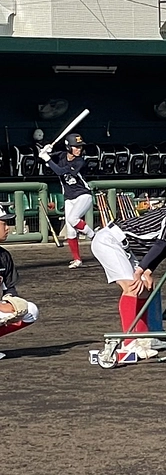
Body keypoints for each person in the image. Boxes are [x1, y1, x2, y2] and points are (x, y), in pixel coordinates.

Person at [90, 180, 166, 360]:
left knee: (147, 288)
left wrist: (148, 271)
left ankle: (146, 338)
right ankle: (129, 342)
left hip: (127, 249)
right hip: (110, 241)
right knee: (132, 287)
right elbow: (160, 243)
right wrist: (140, 271)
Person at [38, 132, 95, 268]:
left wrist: (47, 159)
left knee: (73, 219)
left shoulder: (79, 161)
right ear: (68, 147)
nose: (79, 149)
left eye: (80, 147)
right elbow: (46, 162)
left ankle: (94, 236)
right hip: (69, 197)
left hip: (83, 195)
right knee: (70, 230)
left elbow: (59, 171)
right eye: (76, 147)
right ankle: (77, 260)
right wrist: (45, 152)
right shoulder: (61, 156)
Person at [0, 204, 39, 359]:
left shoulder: (4, 256)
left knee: (29, 310)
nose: (8, 228)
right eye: (3, 223)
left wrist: (9, 302)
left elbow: (10, 289)